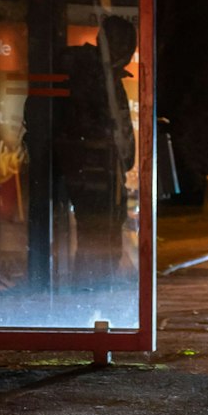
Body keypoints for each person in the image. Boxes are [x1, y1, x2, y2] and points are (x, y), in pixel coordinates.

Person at [55, 17, 138, 287]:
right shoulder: (89, 73)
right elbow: (92, 125)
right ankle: (90, 290)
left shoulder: (102, 73)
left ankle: (96, 287)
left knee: (105, 235)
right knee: (96, 237)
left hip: (106, 171)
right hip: (94, 171)